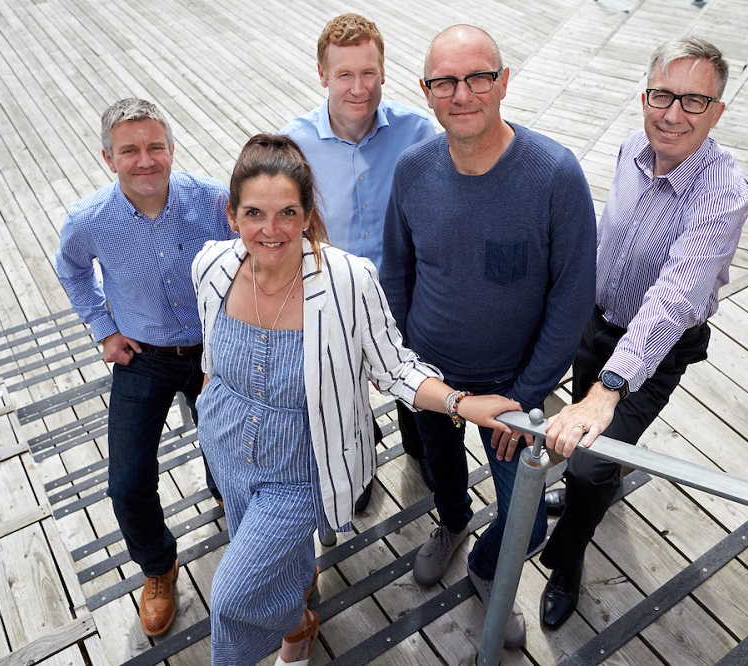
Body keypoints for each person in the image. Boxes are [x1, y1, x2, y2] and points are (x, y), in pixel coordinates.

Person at [192, 133, 520, 666]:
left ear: (306, 216)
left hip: (301, 466)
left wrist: (464, 403)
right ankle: (299, 624)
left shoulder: (347, 280)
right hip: (225, 446)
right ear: (231, 216)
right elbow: (210, 351)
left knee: (231, 598)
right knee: (282, 562)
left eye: (286, 214)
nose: (270, 230)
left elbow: (395, 368)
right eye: (254, 213)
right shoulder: (211, 267)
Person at [380, 25, 597, 648]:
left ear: (504, 82)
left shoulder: (553, 174)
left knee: (525, 524)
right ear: (426, 92)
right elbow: (397, 271)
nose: (463, 93)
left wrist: (528, 396)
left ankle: (487, 565)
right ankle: (451, 526)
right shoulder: (413, 169)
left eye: (478, 77)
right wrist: (405, 366)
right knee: (440, 474)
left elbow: (571, 295)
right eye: (446, 81)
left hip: (514, 388)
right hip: (431, 378)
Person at [537, 36, 748, 630]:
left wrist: (608, 388)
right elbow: (607, 239)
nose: (673, 114)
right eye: (663, 95)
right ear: (644, 97)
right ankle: (584, 499)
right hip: (597, 321)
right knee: (585, 455)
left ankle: (567, 559)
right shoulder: (633, 147)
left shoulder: (723, 194)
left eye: (693, 100)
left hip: (654, 353)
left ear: (717, 111)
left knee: (588, 464)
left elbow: (675, 298)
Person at [55, 98, 231, 637]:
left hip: (215, 348)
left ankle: (230, 499)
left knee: (232, 455)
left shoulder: (214, 200)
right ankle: (158, 567)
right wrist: (104, 329)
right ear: (109, 158)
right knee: (127, 483)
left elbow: (254, 253)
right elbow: (72, 271)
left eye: (156, 146)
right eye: (129, 150)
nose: (145, 160)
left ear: (172, 149)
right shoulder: (89, 221)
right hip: (144, 357)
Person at [281, 13, 438, 508]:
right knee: (344, 401)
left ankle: (421, 450)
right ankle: (358, 465)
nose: (358, 88)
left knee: (418, 396)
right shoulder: (295, 143)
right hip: (331, 295)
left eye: (368, 73)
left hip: (406, 292)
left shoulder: (418, 131)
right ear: (323, 74)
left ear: (384, 71)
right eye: (344, 74)